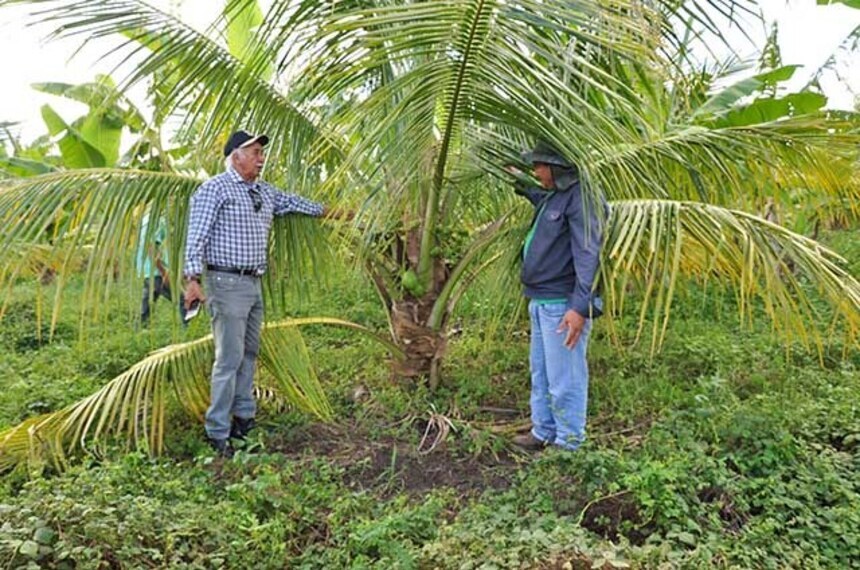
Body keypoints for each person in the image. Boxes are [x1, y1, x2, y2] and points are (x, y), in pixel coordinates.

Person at [183, 130, 328, 457]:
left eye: (262, 152)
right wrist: (191, 279)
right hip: (226, 283)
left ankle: (244, 420)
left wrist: (327, 210)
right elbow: (196, 236)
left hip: (252, 283)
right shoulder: (215, 189)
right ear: (236, 156)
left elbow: (292, 203)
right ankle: (217, 432)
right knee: (229, 359)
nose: (261, 158)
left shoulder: (263, 191)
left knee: (249, 353)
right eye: (256, 152)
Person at [509, 140, 606, 451]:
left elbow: (588, 256)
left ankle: (569, 443)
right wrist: (517, 180)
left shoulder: (582, 200)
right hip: (540, 300)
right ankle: (543, 431)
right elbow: (537, 196)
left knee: (566, 377)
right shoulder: (556, 197)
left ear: (558, 167)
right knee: (542, 372)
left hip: (562, 305)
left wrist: (579, 307)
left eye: (540, 166)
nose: (536, 171)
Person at [137, 212, 185, 326]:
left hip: (147, 270)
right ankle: (190, 329)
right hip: (156, 271)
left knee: (146, 306)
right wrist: (163, 271)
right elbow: (151, 247)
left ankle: (137, 330)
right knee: (182, 300)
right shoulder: (158, 220)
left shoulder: (146, 218)